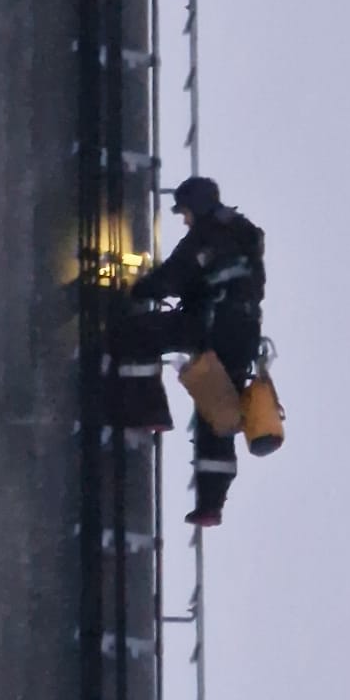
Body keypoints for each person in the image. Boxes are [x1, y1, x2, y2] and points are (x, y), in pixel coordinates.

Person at [113, 176, 265, 527]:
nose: (184, 220)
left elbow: (173, 276)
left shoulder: (208, 235)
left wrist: (138, 289)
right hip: (243, 335)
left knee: (134, 335)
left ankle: (151, 411)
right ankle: (211, 505)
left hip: (210, 325)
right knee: (218, 414)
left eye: (185, 213)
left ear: (196, 206)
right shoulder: (243, 233)